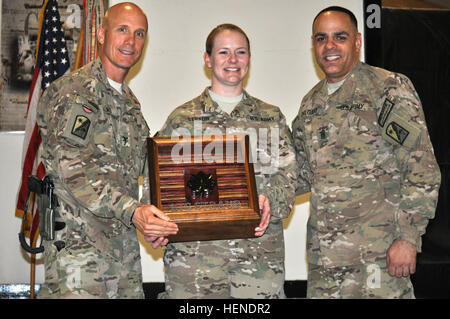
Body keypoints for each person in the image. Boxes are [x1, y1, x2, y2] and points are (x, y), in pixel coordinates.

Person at [291, 6, 441, 298]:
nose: (329, 46)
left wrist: (408, 238)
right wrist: (254, 191)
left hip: (378, 256)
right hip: (325, 262)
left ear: (357, 42)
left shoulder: (386, 88)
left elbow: (421, 166)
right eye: (321, 38)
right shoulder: (311, 105)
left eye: (340, 37)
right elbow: (301, 174)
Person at [36, 2, 178, 298]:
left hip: (122, 256)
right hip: (80, 261)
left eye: (140, 34)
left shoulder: (129, 102)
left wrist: (153, 218)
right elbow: (74, 171)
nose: (131, 41)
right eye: (122, 30)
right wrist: (134, 212)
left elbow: (144, 166)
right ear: (101, 35)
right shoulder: (76, 93)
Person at [156, 24, 297, 298]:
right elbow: (161, 180)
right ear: (208, 59)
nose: (233, 60)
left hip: (259, 261)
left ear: (249, 59)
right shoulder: (182, 119)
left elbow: (289, 177)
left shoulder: (271, 117)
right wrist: (158, 223)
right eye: (224, 52)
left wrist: (269, 197)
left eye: (240, 52)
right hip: (194, 263)